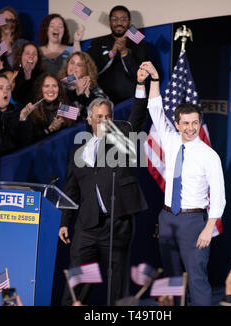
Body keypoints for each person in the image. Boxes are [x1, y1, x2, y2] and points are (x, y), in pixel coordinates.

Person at [58, 68, 149, 305]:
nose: (104, 121)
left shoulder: (121, 138)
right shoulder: (79, 150)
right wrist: (65, 222)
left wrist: (140, 85)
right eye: (99, 117)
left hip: (116, 224)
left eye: (108, 116)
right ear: (89, 120)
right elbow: (71, 189)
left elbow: (137, 117)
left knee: (117, 284)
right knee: (77, 283)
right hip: (86, 227)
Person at [140, 61, 226, 306]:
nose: (190, 128)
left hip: (194, 222)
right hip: (167, 219)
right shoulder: (169, 140)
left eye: (195, 123)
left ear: (199, 123)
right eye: (185, 123)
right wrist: (155, 80)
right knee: (173, 280)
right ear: (177, 124)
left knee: (197, 279)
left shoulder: (209, 155)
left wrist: (209, 228)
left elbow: (218, 196)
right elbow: (156, 109)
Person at [87, 5, 149, 104]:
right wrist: (112, 53)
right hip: (102, 101)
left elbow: (142, 75)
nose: (119, 23)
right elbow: (90, 71)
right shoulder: (97, 42)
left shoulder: (140, 44)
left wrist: (124, 52)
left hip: (130, 101)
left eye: (123, 19)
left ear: (129, 22)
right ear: (109, 22)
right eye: (115, 19)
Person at [19, 72, 73, 142]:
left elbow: (76, 128)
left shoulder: (64, 106)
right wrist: (49, 130)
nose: (51, 89)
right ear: (40, 89)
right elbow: (30, 142)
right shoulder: (32, 110)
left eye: (54, 86)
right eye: (46, 86)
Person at [58, 51, 107, 119]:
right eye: (72, 63)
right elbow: (59, 111)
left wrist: (83, 95)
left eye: (79, 65)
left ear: (86, 69)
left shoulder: (93, 87)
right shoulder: (58, 85)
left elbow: (103, 109)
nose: (74, 67)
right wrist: (78, 94)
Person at [0, 7, 27, 72]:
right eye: (5, 20)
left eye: (12, 21)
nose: (8, 24)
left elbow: (16, 67)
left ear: (16, 23)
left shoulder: (23, 44)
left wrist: (9, 49)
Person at [12, 42, 44, 107]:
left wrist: (28, 75)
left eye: (34, 54)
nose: (31, 56)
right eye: (27, 53)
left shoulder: (43, 78)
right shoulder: (12, 75)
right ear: (20, 57)